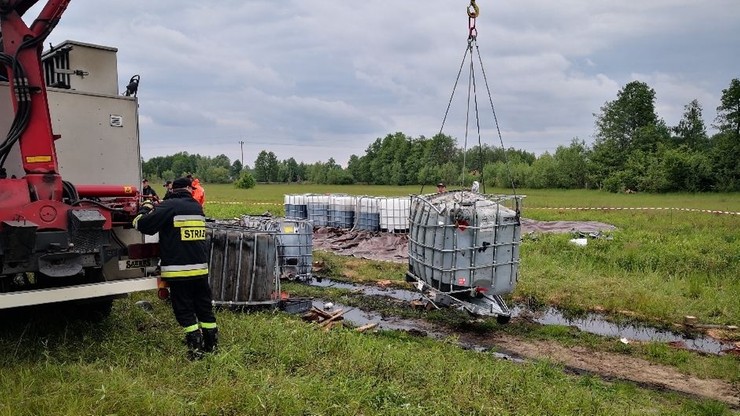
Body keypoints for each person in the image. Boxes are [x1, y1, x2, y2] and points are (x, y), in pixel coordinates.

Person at [134, 177, 217, 360]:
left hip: (179, 271)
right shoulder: (196, 207)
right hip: (200, 270)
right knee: (204, 307)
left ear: (173, 190)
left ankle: (195, 349)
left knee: (184, 309)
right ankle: (212, 345)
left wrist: (146, 207)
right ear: (189, 189)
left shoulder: (170, 206)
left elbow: (142, 224)